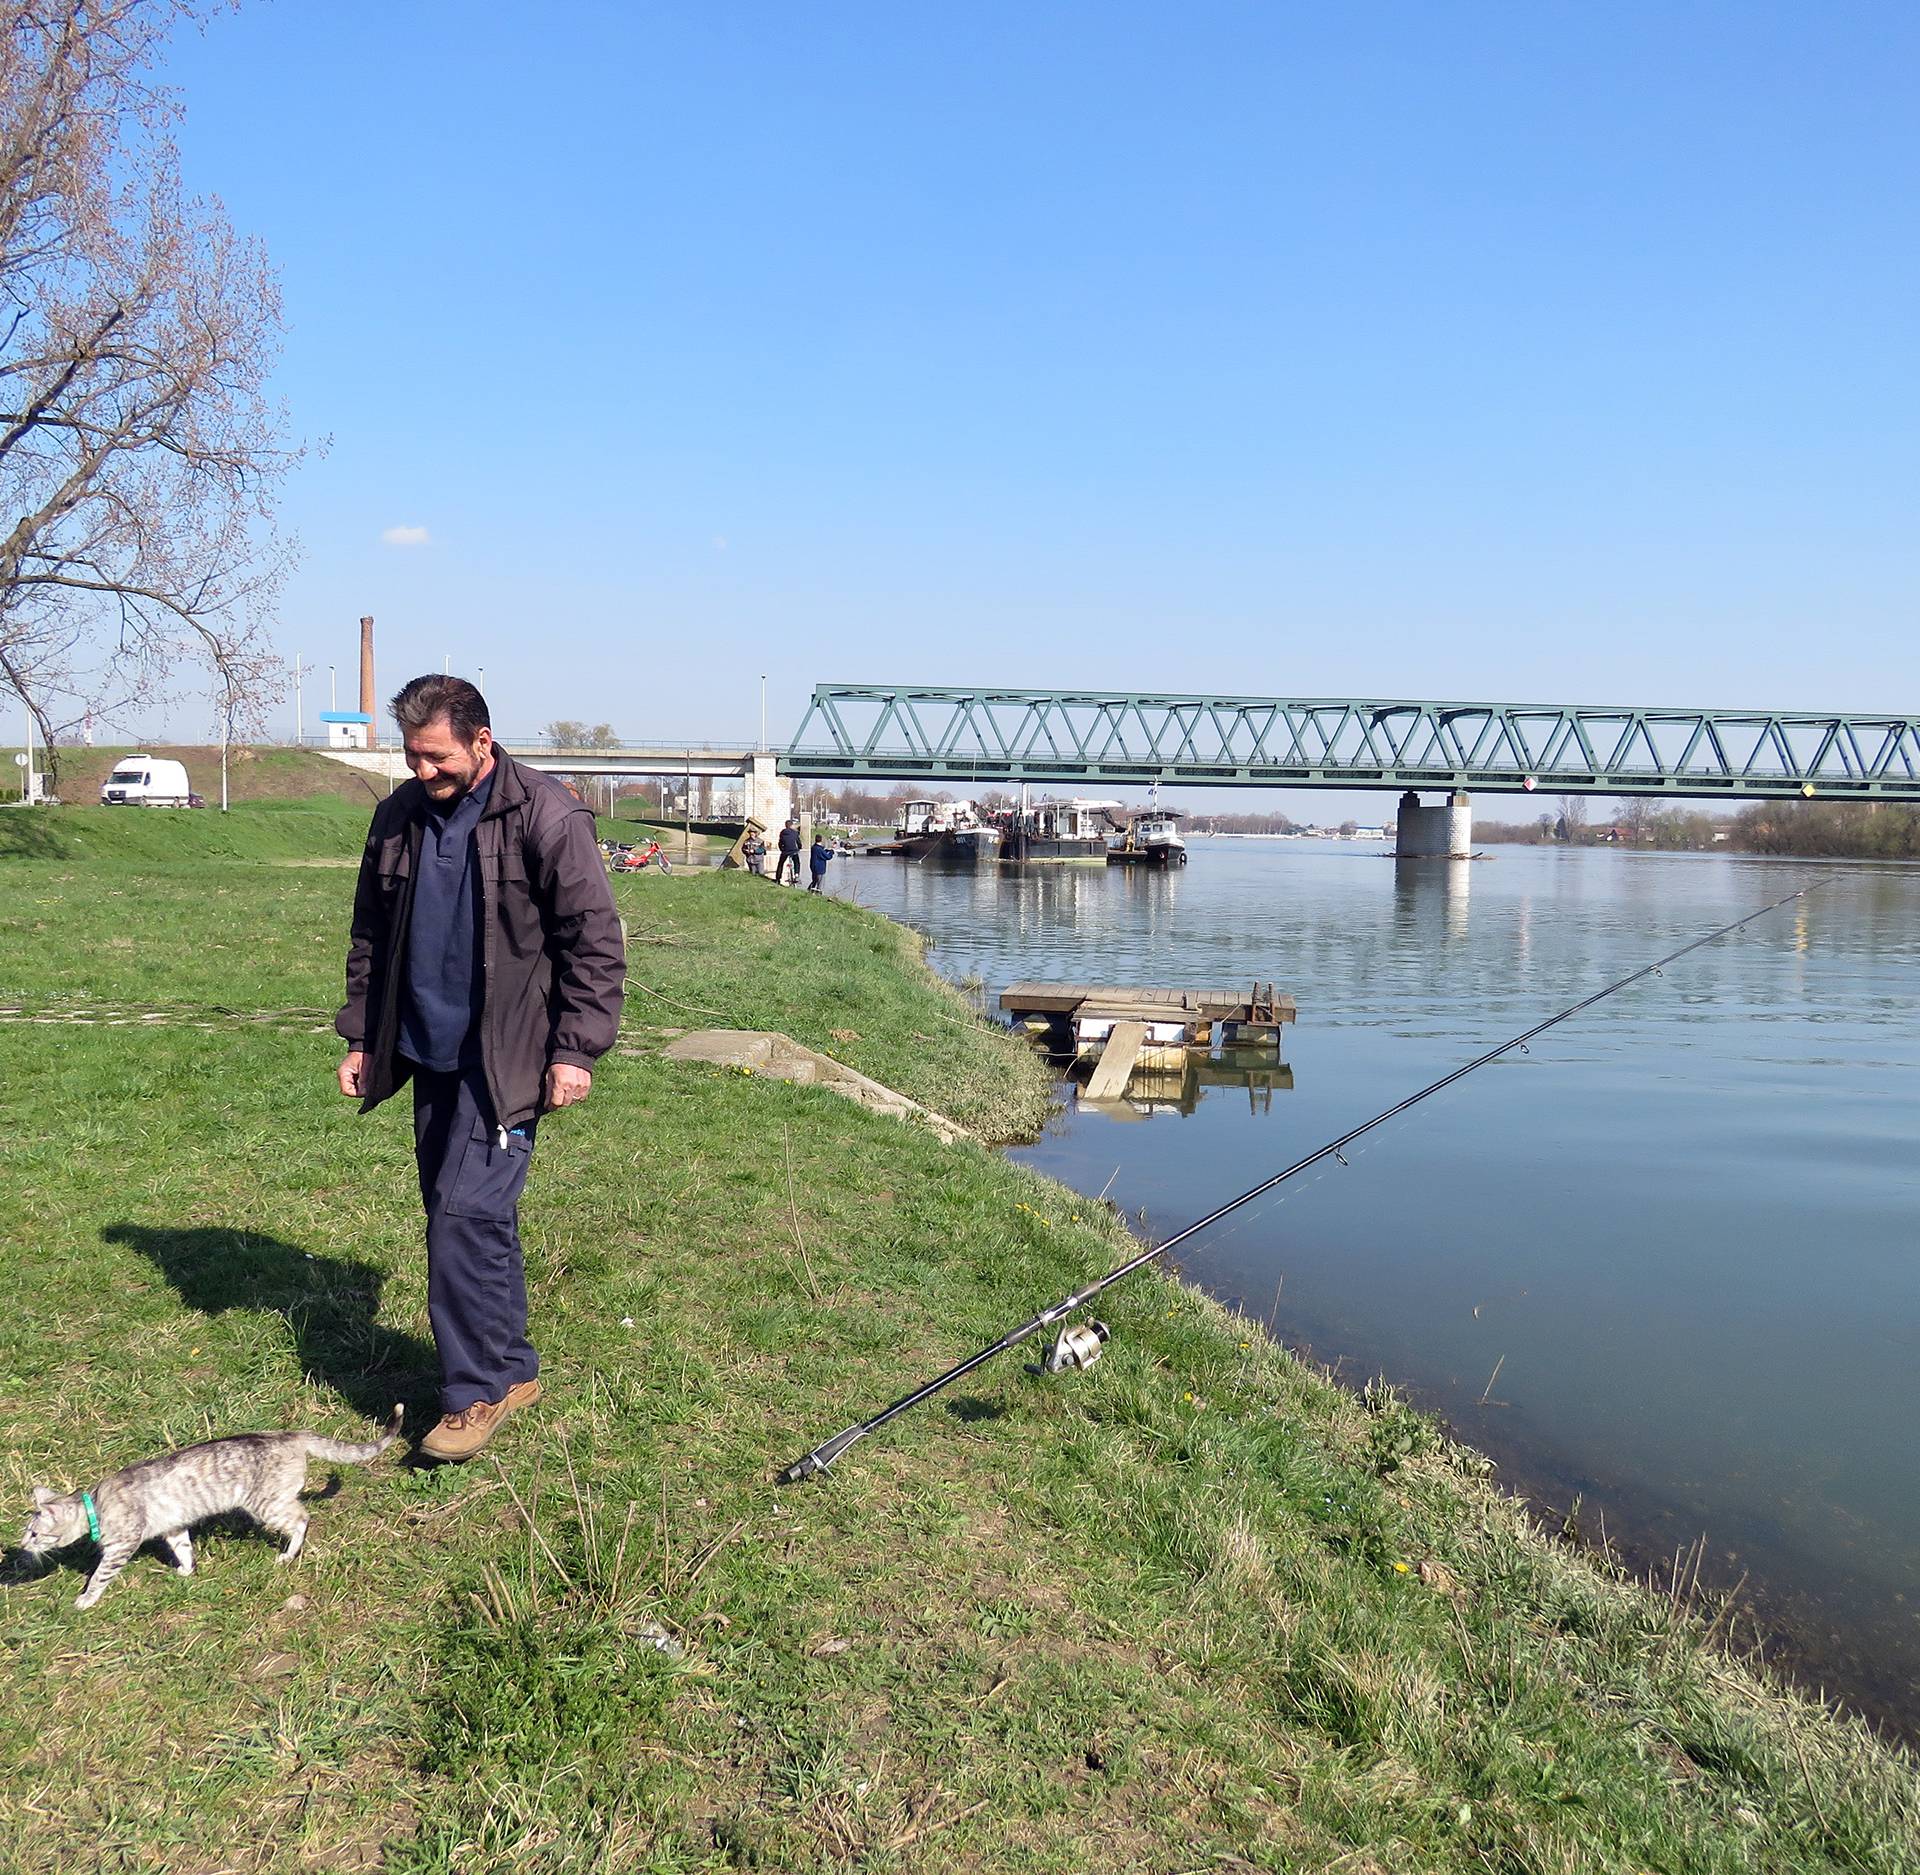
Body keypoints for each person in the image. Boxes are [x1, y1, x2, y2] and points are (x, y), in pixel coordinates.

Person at [336, 675, 625, 1462]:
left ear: (482, 741)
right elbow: (371, 935)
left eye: (436, 757)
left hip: (510, 1057)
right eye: (411, 756)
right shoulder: (395, 817)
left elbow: (592, 941)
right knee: (466, 1215)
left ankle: (472, 1395)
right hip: (426, 1051)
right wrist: (363, 1037)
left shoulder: (547, 814)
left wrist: (575, 1049)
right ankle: (513, 1368)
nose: (422, 772)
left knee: (462, 1219)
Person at [775, 817, 802, 885]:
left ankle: (778, 878)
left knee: (780, 864)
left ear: (785, 825)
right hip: (793, 851)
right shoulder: (795, 833)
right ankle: (796, 875)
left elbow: (780, 842)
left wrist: (782, 849)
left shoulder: (782, 832)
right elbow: (798, 842)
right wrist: (800, 848)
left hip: (785, 851)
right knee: (797, 862)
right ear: (791, 825)